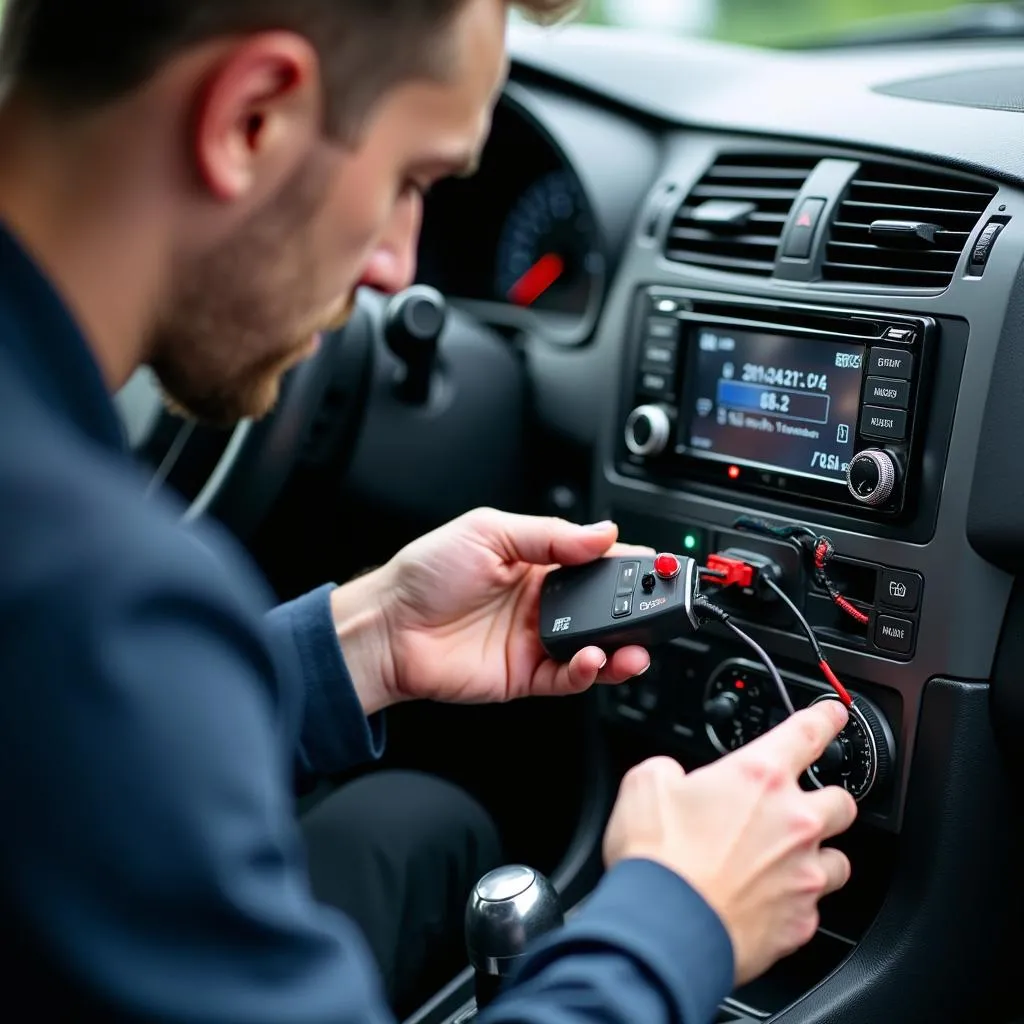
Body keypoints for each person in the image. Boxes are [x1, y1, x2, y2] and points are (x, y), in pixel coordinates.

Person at [0, 0, 858, 1021]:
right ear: (252, 119)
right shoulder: (96, 600)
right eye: (411, 181)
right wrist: (677, 920)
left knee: (420, 822)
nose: (397, 270)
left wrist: (357, 643)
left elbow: (77, 756)